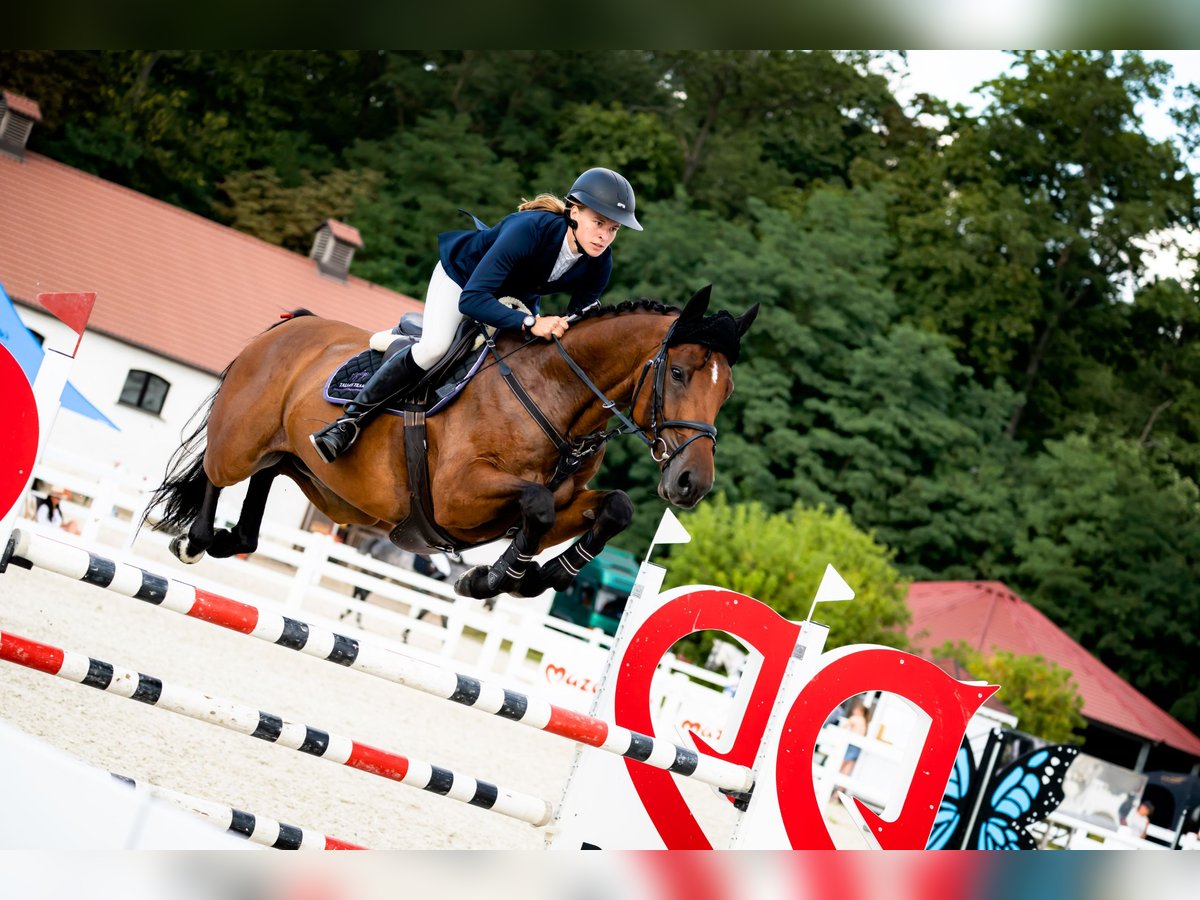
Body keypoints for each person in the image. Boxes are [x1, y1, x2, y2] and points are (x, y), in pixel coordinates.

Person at [310, 167, 643, 463]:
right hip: (464, 279)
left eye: (613, 229)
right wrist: (530, 323)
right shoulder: (529, 229)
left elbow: (577, 323)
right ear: (573, 212)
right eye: (598, 223)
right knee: (435, 348)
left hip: (517, 296)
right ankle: (348, 422)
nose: (604, 236)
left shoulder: (600, 262)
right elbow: (472, 300)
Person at [839, 697, 870, 777]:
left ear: (861, 711)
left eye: (856, 709)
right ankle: (840, 784)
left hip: (852, 744)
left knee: (840, 764)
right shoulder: (864, 721)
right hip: (858, 746)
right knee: (848, 767)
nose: (854, 710)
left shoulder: (856, 718)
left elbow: (844, 726)